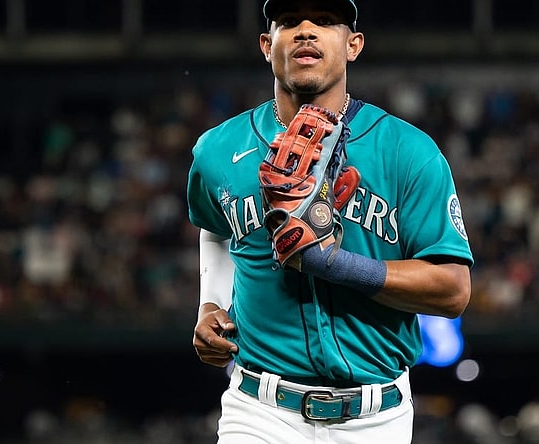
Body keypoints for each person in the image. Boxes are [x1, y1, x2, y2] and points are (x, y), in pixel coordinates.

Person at [186, 0, 474, 442]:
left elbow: (452, 290)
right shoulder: (218, 149)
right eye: (289, 23)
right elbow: (215, 230)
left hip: (376, 417)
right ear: (266, 45)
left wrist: (335, 264)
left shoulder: (408, 151)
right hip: (259, 410)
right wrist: (210, 303)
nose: (305, 31)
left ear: (353, 45)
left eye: (323, 21)